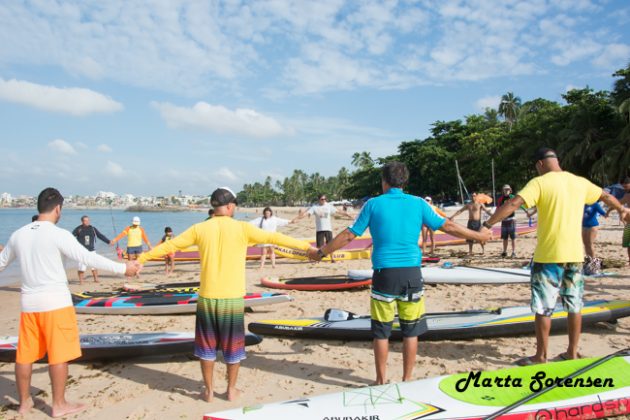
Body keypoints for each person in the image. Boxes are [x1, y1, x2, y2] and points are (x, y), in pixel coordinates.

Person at [313, 162, 492, 384]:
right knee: (411, 329)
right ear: (404, 181)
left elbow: (349, 235)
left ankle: (381, 380)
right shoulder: (418, 204)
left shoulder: (373, 204)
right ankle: (407, 380)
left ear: (384, 181)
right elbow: (449, 227)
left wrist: (320, 252)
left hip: (384, 275)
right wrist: (479, 236)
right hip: (411, 274)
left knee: (381, 331)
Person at [137, 187, 318, 402]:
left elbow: (171, 246)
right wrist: (307, 248)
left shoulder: (199, 229)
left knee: (206, 348)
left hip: (207, 298)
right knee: (233, 347)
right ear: (230, 206)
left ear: (214, 206)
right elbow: (275, 238)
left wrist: (140, 260)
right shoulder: (242, 228)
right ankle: (231, 390)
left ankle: (209, 391)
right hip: (231, 300)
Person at [482, 148, 630, 365]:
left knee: (544, 307)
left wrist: (487, 225)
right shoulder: (579, 181)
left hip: (549, 256)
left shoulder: (540, 183)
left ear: (540, 164)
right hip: (575, 255)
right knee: (574, 304)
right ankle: (572, 352)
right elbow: (605, 196)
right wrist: (621, 210)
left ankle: (540, 356)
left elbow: (513, 203)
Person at [0, 188, 139, 417]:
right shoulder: (59, 234)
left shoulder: (18, 234)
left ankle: (25, 403)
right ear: (58, 208)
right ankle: (59, 404)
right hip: (55, 304)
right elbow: (88, 257)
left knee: (24, 356)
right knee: (58, 355)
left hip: (29, 305)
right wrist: (123, 268)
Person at [291, 194, 353, 263]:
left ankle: (332, 259)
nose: (324, 200)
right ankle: (318, 259)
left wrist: (348, 215)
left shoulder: (329, 206)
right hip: (320, 229)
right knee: (319, 246)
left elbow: (339, 212)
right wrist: (296, 219)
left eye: (325, 199)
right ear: (319, 200)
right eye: (322, 199)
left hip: (328, 229)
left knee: (331, 245)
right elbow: (306, 214)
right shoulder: (314, 207)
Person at [71, 215, 112, 284]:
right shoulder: (78, 229)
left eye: (88, 220)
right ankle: (81, 281)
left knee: (94, 265)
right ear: (82, 221)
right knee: (82, 267)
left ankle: (96, 279)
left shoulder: (92, 229)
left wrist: (108, 241)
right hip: (82, 251)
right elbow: (70, 237)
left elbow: (100, 235)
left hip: (91, 250)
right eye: (85, 220)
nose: (87, 222)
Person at [582, 202, 607, 275]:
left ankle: (594, 264)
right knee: (585, 244)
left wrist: (607, 213)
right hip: (583, 226)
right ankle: (589, 262)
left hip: (592, 226)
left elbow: (602, 213)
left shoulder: (595, 204)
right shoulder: (581, 203)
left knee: (590, 244)